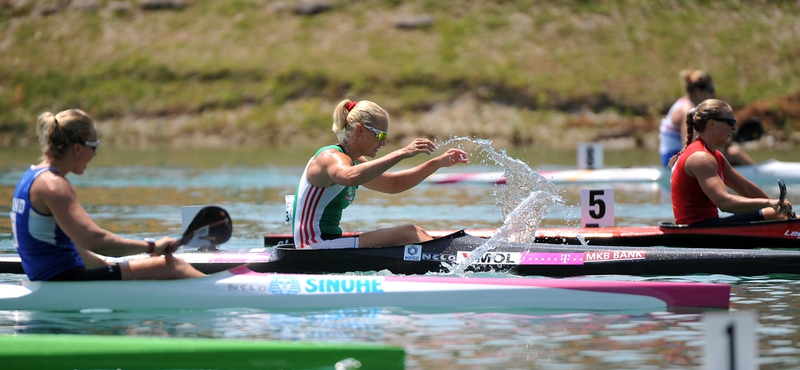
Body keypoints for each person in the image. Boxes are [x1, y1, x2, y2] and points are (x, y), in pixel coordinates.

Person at [10, 109, 205, 281]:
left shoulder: (30, 178)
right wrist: (153, 246)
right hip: (66, 279)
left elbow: (71, 244)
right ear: (78, 148)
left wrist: (111, 267)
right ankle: (226, 291)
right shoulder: (56, 187)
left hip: (49, 276)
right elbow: (95, 241)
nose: (95, 154)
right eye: (94, 146)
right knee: (173, 265)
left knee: (148, 264)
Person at [291, 99, 470, 249]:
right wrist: (401, 153)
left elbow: (394, 185)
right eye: (380, 136)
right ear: (360, 129)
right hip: (312, 246)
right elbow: (349, 176)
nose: (383, 144)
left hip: (326, 242)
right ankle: (457, 263)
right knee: (409, 233)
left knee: (417, 232)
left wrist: (438, 162)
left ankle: (453, 258)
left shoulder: (355, 161)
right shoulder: (329, 157)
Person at [669, 99, 793, 225]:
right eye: (730, 122)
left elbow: (747, 189)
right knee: (773, 215)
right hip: (696, 232)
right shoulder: (701, 158)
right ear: (712, 124)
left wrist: (779, 206)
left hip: (708, 226)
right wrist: (769, 204)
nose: (734, 128)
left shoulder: (715, 156)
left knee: (778, 214)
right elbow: (724, 203)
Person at [659, 70, 717, 168]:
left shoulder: (686, 103)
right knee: (734, 152)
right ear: (698, 91)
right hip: (672, 159)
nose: (713, 95)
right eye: (711, 90)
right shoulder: (687, 109)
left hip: (674, 156)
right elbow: (689, 145)